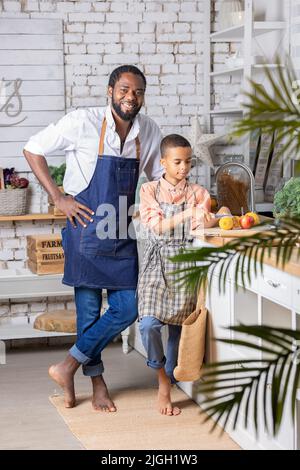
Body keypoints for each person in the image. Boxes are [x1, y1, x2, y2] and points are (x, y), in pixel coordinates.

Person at [23, 65, 163, 412]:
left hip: (120, 231)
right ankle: (98, 384)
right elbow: (32, 148)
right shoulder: (81, 121)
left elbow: (161, 178)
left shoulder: (148, 131)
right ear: (110, 90)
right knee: (88, 312)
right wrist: (58, 197)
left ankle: (67, 366)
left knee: (129, 306)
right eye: (124, 90)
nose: (131, 97)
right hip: (85, 229)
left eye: (138, 92)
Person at [138, 134, 226, 416]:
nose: (183, 167)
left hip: (186, 264)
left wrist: (218, 214)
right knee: (148, 324)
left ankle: (170, 380)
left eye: (188, 161)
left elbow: (202, 225)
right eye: (177, 162)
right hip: (157, 263)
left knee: (178, 329)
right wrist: (190, 215)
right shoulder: (149, 190)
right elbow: (158, 227)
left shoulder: (199, 193)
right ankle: (163, 379)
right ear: (163, 162)